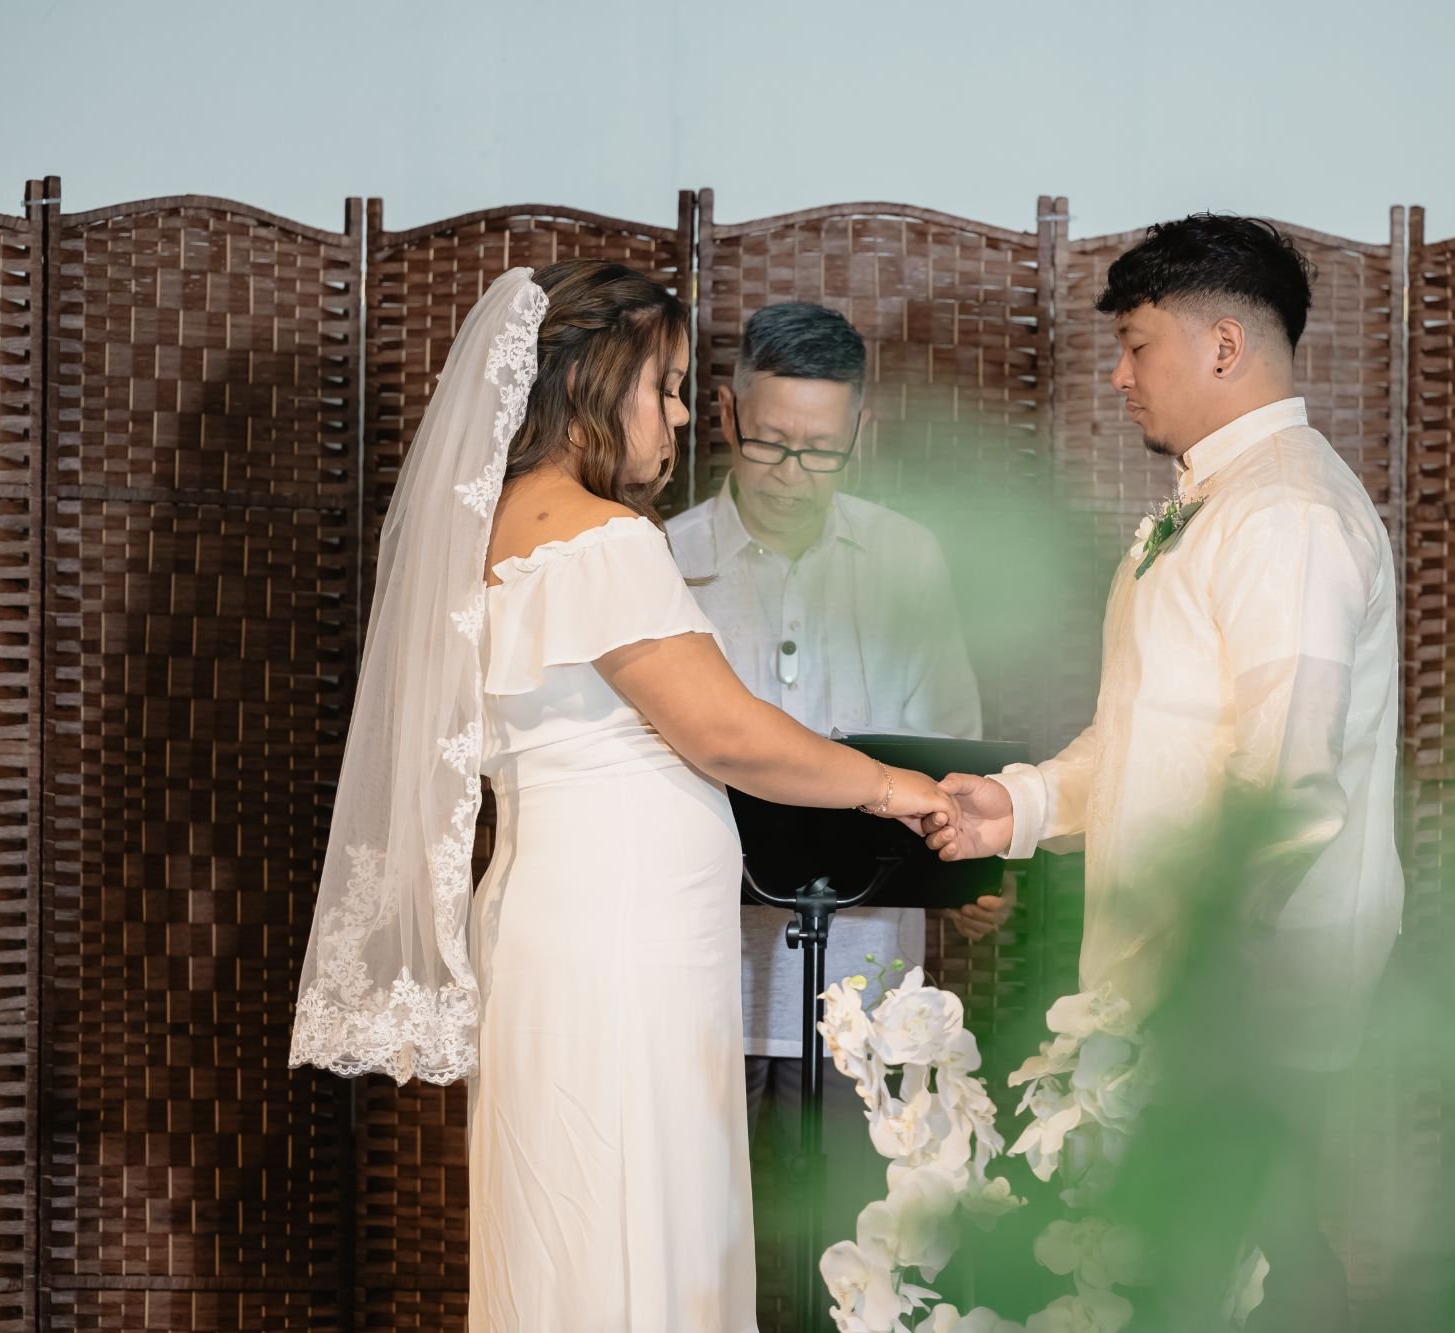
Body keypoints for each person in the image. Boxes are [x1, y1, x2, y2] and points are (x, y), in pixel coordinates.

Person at [289, 261, 959, 1332]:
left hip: (562, 930)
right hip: (622, 949)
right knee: (633, 1220)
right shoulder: (604, 539)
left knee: (573, 1219)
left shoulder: (496, 528)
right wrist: (895, 786)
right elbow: (726, 732)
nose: (681, 417)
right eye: (668, 387)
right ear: (594, 384)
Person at [922, 215, 1404, 1328]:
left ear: (1224, 345)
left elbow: (1285, 791)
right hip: (1177, 990)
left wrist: (1192, 1002)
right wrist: (1017, 806)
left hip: (1241, 1004)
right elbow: (1149, 739)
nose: (1118, 375)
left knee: (1257, 1278)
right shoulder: (1219, 501)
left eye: (1136, 344)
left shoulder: (1284, 513)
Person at [666, 300, 1005, 1265]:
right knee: (707, 1266)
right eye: (770, 443)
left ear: (862, 430)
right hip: (703, 987)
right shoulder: (665, 560)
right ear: (725, 413)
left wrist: (969, 864)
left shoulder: (907, 558)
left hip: (872, 986)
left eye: (821, 452)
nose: (791, 474)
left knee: (864, 1266)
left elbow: (951, 746)